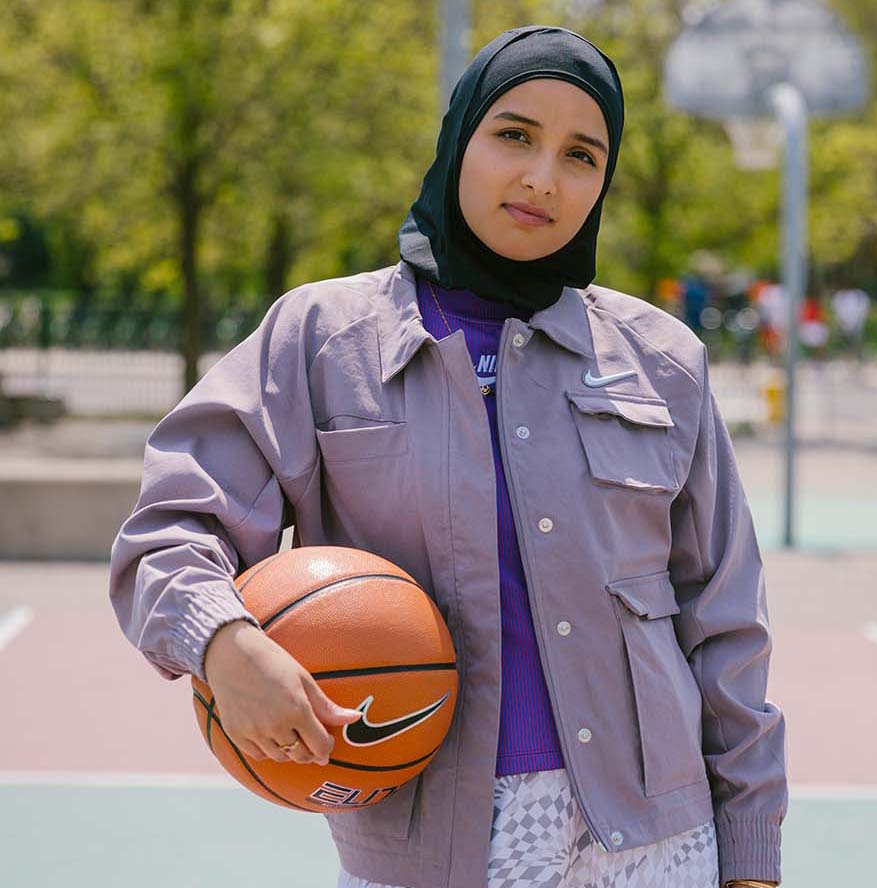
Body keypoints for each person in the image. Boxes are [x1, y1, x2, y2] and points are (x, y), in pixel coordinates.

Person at [109, 25, 786, 888]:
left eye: (582, 155)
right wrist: (224, 643)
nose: (543, 176)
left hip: (662, 842)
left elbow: (725, 620)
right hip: (432, 849)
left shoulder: (662, 360)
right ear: (459, 138)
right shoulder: (321, 340)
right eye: (514, 135)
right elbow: (170, 527)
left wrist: (753, 852)